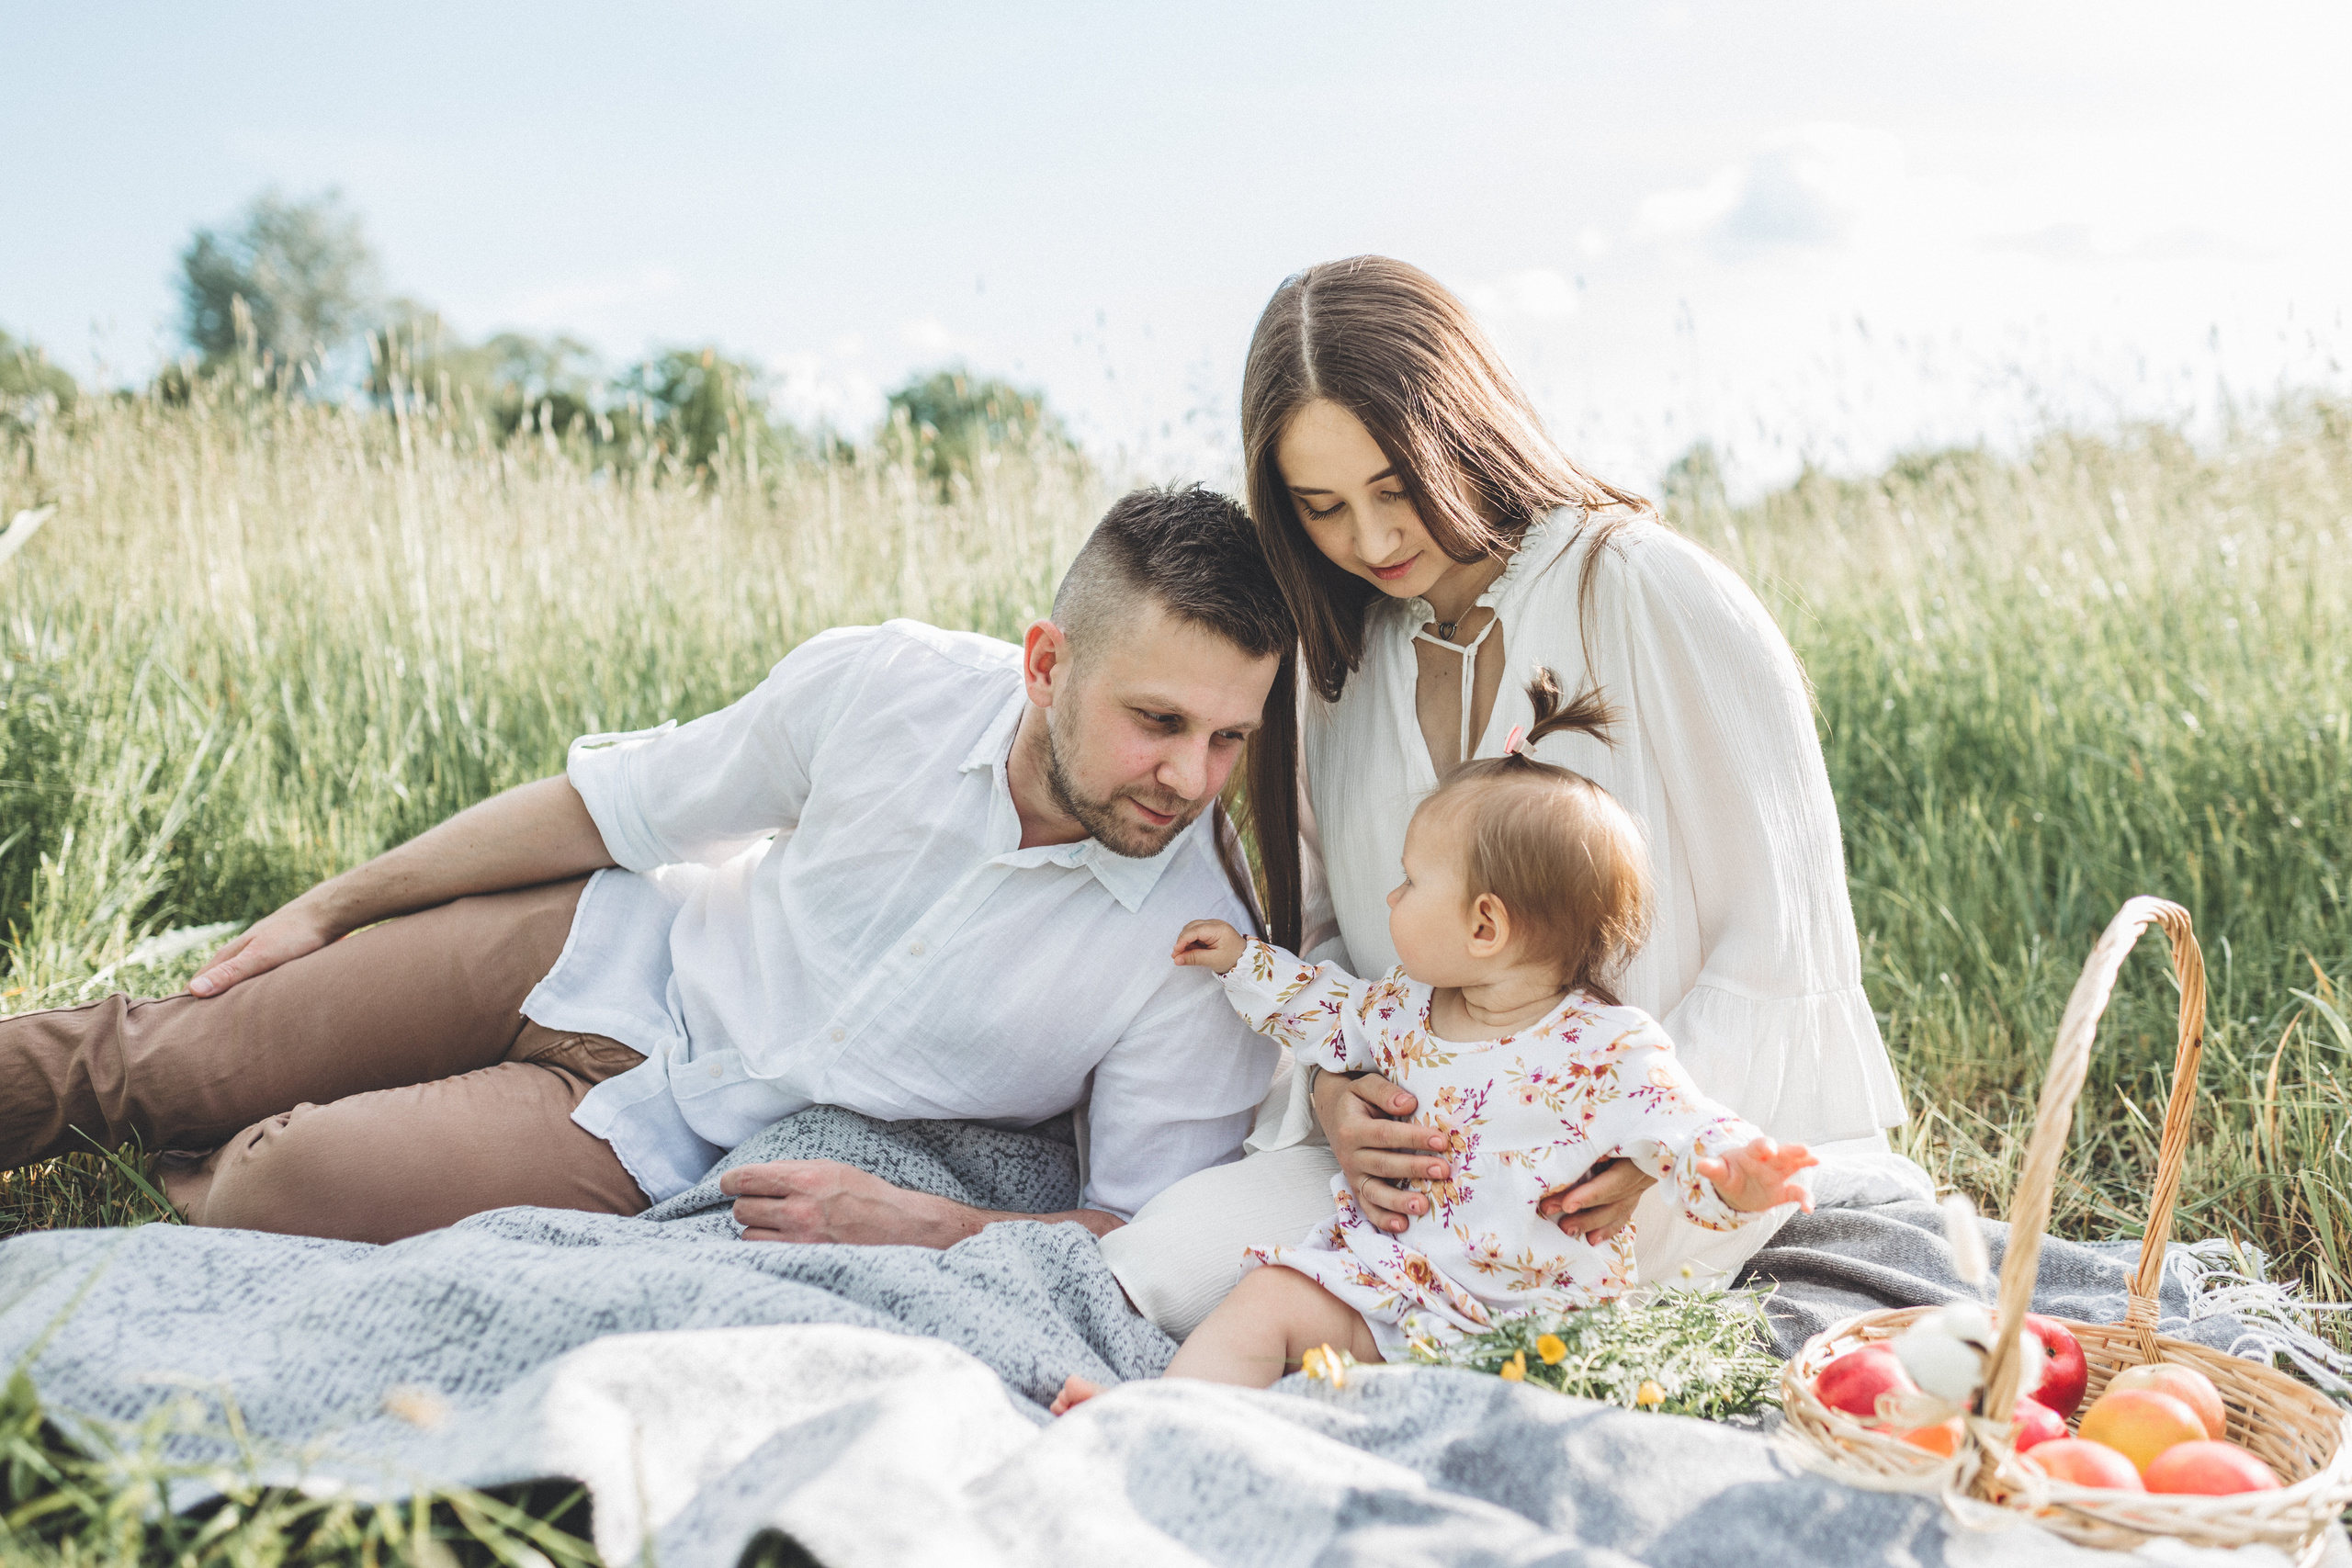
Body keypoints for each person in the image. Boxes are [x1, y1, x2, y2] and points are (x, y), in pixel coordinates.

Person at [0, 485, 1289, 1245]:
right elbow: (609, 808)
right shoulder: (888, 682)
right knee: (165, 1052)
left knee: (284, 1176)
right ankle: (173, 1102)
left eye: (1230, 735)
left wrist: (935, 1225)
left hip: (653, 1135)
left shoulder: (1196, 948)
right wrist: (325, 906)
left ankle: (193, 1159)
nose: (1190, 777)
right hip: (603, 945)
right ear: (1048, 662)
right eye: (1159, 721)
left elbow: (1142, 1227)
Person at [1097, 257, 1906, 1337]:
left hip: (1652, 1154)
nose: (1373, 542)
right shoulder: (1338, 658)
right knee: (1160, 1265)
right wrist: (1340, 1099)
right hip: (1433, 1173)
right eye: (1323, 507)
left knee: (1557, 1321)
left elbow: (1784, 937)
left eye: (1395, 487)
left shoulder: (1644, 588)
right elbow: (1334, 934)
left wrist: (1643, 1145)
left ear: (1465, 429)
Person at [1054, 670, 1816, 1404]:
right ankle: (1160, 1414)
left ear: (1484, 924)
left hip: (1535, 1330)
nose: (1391, 894)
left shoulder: (1606, 1047)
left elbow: (1681, 1125)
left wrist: (1738, 1168)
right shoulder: (1404, 1008)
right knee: (1268, 1299)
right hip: (1395, 1294)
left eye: (1411, 881)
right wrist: (1242, 961)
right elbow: (1324, 1006)